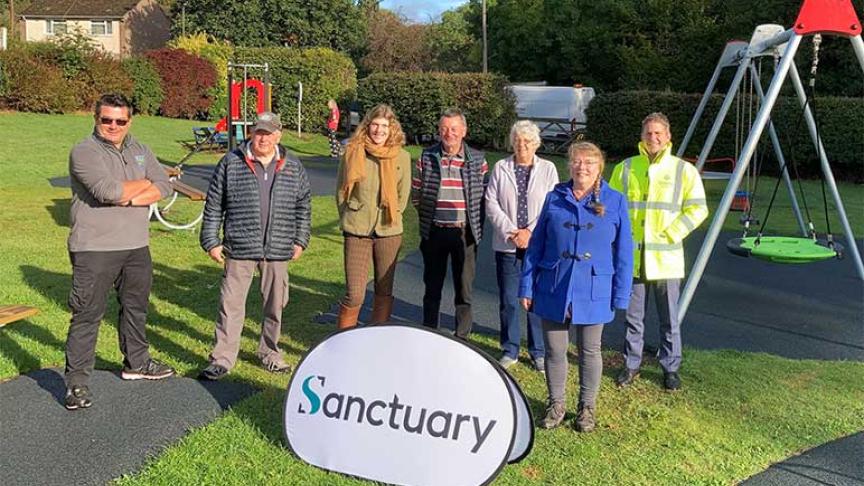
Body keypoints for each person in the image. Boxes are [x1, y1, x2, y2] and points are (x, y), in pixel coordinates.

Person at [64, 93, 175, 410]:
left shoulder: (140, 149)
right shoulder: (84, 151)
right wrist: (141, 188)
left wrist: (129, 196)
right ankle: (77, 384)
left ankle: (137, 363)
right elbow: (107, 191)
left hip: (137, 246)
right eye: (106, 119)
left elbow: (164, 185)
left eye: (120, 120)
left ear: (130, 121)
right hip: (94, 249)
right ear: (95, 118)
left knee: (136, 309)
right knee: (87, 315)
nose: (113, 126)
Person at [519, 141, 632, 432]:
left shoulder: (616, 201)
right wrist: (526, 287)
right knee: (555, 351)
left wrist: (620, 294)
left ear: (599, 168)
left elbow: (624, 251)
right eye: (577, 162)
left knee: (590, 350)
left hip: (595, 288)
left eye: (589, 163)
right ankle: (556, 404)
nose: (583, 167)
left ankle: (587, 408)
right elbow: (536, 246)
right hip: (554, 285)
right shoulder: (554, 197)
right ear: (569, 165)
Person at [198, 112, 311, 380]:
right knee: (231, 304)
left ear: (278, 135)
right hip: (239, 245)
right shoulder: (231, 162)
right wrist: (211, 241)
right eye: (259, 132)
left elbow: (303, 205)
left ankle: (270, 352)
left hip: (278, 247)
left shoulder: (293, 165)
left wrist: (300, 239)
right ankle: (222, 359)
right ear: (251, 133)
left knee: (275, 305)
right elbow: (214, 203)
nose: (263, 138)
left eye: (269, 133)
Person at [609, 112, 708, 391]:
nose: (653, 138)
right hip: (634, 258)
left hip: (666, 258)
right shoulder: (626, 168)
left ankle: (670, 368)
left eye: (658, 134)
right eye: (648, 133)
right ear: (641, 137)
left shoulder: (682, 170)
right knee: (633, 318)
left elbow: (698, 208)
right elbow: (614, 207)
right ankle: (631, 364)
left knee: (669, 319)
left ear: (668, 137)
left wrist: (673, 232)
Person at [485, 120, 559, 371]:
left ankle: (538, 351)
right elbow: (491, 203)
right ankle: (510, 348)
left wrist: (530, 232)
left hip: (537, 245)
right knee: (508, 298)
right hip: (507, 244)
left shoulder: (548, 169)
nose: (522, 145)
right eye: (518, 140)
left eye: (527, 141)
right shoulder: (500, 167)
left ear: (536, 143)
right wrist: (511, 232)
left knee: (535, 298)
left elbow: (552, 205)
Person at [412, 108, 488, 339]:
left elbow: (484, 198)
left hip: (464, 233)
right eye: (444, 128)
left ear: (463, 131)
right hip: (434, 231)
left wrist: (475, 227)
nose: (449, 133)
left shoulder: (477, 159)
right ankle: (429, 331)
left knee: (463, 289)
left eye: (454, 128)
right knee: (432, 286)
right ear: (439, 130)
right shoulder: (426, 157)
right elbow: (416, 193)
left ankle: (462, 336)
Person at [335, 104, 412, 328]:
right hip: (357, 229)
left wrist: (391, 214)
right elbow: (341, 191)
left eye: (384, 126)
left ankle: (377, 339)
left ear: (392, 129)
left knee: (384, 289)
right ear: (367, 126)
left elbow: (402, 196)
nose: (379, 130)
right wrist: (350, 215)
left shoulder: (403, 157)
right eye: (375, 125)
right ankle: (344, 340)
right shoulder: (352, 151)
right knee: (355, 293)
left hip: (388, 230)